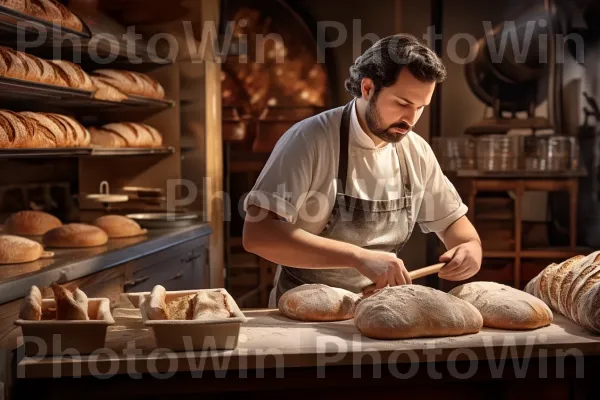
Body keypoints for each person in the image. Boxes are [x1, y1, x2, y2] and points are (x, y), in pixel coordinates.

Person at [242, 34, 482, 307]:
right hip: (303, 315)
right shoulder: (309, 139)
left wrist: (470, 249)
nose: (411, 120)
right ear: (367, 88)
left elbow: (455, 226)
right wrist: (357, 257)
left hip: (379, 312)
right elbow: (258, 235)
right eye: (402, 104)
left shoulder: (416, 151)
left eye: (421, 108)